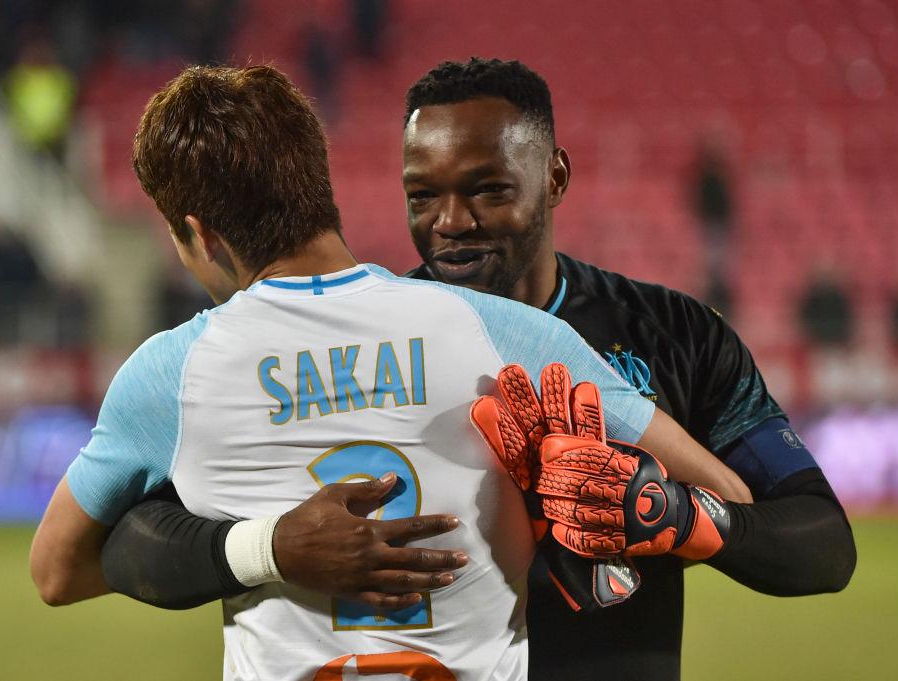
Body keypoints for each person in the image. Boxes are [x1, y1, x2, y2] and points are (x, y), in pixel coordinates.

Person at [95, 59, 856, 680]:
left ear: (554, 177)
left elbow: (820, 544)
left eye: (488, 189)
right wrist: (266, 545)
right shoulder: (360, 351)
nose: (450, 223)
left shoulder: (676, 334)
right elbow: (131, 537)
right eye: (422, 195)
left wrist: (676, 516)